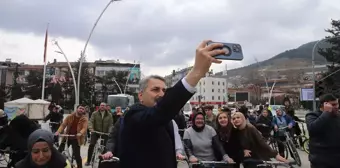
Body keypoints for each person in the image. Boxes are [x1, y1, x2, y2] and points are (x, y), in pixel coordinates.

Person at [118, 40, 227, 168]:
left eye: (164, 90)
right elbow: (158, 113)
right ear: (140, 95)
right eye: (155, 90)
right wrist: (196, 72)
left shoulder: (168, 121)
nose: (161, 94)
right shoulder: (133, 115)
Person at [306, 93, 340, 168]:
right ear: (324, 105)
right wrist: (326, 113)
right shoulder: (312, 116)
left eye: (337, 104)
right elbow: (313, 129)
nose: (337, 107)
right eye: (333, 105)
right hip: (321, 161)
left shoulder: (337, 116)